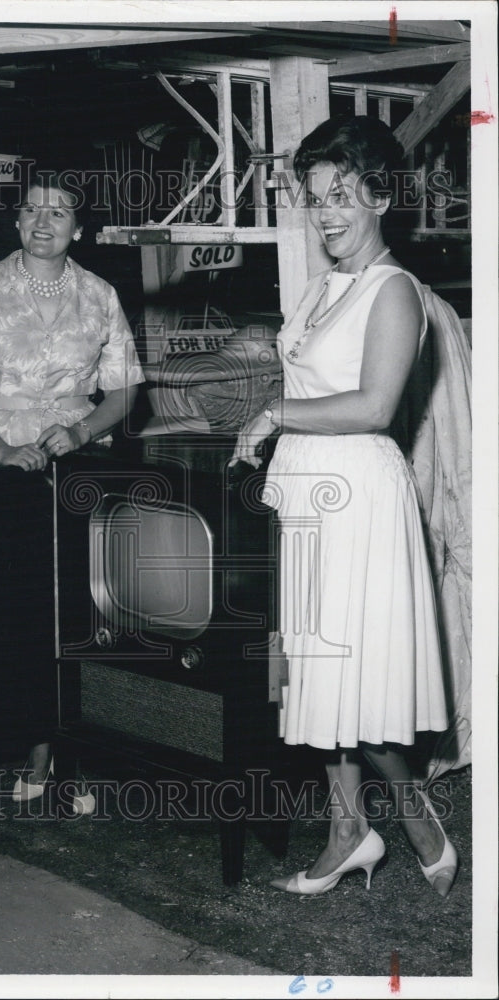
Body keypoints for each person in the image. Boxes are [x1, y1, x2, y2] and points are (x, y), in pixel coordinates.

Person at [231, 116, 458, 897]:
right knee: (309, 676)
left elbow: (371, 405)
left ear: (379, 198)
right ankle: (346, 828)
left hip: (357, 493)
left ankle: (408, 808)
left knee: (353, 677)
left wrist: (271, 415)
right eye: (315, 197)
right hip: (304, 489)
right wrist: (262, 444)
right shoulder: (323, 286)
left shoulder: (395, 291)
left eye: (341, 196)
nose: (325, 212)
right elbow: (304, 381)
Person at [0, 166, 144, 808]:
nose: (43, 222)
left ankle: (73, 750)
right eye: (31, 210)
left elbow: (126, 391)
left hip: (75, 472)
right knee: (12, 614)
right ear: (16, 220)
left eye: (58, 212)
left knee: (79, 612)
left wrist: (78, 434)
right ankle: (28, 746)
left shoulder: (101, 295)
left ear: (78, 228)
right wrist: (1, 450)